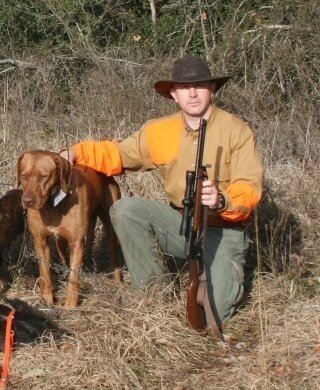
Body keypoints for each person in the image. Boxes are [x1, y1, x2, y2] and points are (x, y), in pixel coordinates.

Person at [63, 56, 263, 324]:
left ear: (213, 89)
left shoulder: (237, 131)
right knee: (125, 210)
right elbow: (118, 154)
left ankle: (213, 274)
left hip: (223, 229)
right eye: (184, 87)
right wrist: (75, 152)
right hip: (181, 223)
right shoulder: (159, 130)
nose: (192, 93)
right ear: (174, 94)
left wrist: (221, 200)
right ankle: (152, 295)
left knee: (216, 315)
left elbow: (249, 187)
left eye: (200, 85)